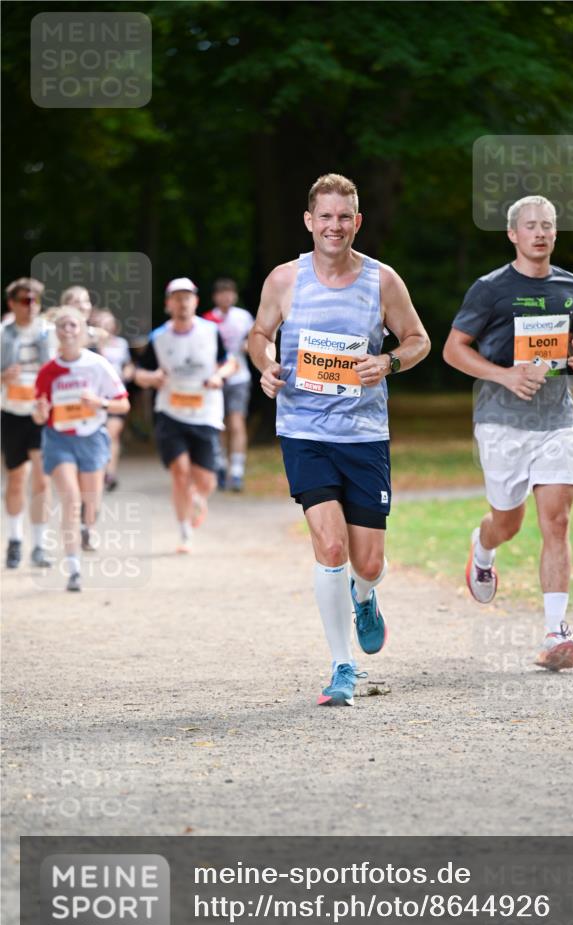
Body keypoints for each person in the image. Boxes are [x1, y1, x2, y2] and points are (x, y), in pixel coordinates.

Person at [249, 173, 430, 706]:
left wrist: (388, 361)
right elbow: (260, 335)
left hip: (364, 435)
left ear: (358, 222)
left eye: (343, 216)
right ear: (309, 221)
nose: (334, 225)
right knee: (330, 546)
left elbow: (419, 340)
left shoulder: (382, 281)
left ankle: (365, 595)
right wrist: (265, 365)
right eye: (324, 216)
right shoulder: (284, 279)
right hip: (304, 431)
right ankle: (342, 666)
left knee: (367, 561)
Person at [443, 195, 573, 671]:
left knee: (557, 519)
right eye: (530, 226)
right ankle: (483, 548)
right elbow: (452, 350)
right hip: (501, 421)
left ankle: (555, 633)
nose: (541, 233)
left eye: (548, 225)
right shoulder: (490, 289)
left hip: (556, 421)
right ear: (513, 234)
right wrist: (505, 374)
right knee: (509, 523)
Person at [134, 278, 237, 553]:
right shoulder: (159, 337)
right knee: (180, 473)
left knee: (207, 481)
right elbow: (137, 374)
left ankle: (196, 497)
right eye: (177, 298)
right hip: (171, 412)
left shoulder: (210, 331)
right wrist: (152, 377)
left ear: (196, 302)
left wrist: (218, 376)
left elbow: (230, 362)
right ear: (168, 304)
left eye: (187, 297)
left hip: (205, 412)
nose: (182, 303)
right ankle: (184, 532)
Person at [33, 307, 129, 591]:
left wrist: (99, 403)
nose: (68, 330)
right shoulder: (48, 371)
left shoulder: (98, 365)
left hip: (92, 439)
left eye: (73, 325)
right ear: (56, 333)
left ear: (84, 331)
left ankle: (89, 528)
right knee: (71, 500)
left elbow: (123, 404)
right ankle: (73, 568)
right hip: (59, 439)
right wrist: (39, 411)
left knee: (91, 503)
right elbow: (39, 416)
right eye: (62, 326)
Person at [1, 277, 55, 569]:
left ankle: (40, 544)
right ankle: (15, 539)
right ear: (12, 304)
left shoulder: (50, 334)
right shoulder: (2, 334)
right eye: (24, 300)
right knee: (17, 478)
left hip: (41, 413)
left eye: (35, 300)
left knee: (42, 479)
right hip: (11, 412)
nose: (30, 306)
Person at [202, 279, 255, 492]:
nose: (226, 297)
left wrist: (248, 346)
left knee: (236, 421)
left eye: (229, 293)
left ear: (234, 295)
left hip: (239, 377)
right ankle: (221, 466)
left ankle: (237, 471)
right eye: (222, 293)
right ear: (215, 297)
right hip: (214, 378)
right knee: (219, 424)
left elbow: (256, 341)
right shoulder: (207, 320)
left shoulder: (243, 317)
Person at [90, 307, 136, 491]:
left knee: (112, 433)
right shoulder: (88, 346)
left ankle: (109, 472)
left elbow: (129, 364)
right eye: (100, 322)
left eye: (108, 323)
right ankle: (95, 470)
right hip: (93, 398)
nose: (105, 326)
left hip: (115, 396)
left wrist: (128, 372)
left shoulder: (121, 344)